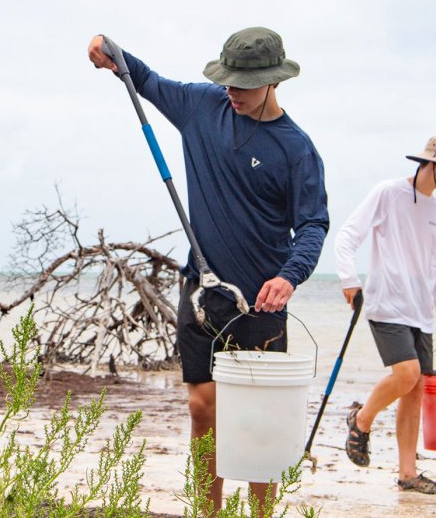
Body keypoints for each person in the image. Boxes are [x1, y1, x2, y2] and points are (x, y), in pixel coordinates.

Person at [88, 28, 329, 511]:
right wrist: (110, 50)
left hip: (262, 301)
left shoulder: (296, 149)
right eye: (228, 80)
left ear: (273, 81)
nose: (232, 91)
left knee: (260, 423)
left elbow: (313, 225)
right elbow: (147, 80)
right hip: (202, 290)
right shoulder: (202, 107)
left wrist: (289, 276)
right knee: (203, 408)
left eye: (243, 83)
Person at [334, 135, 436, 494]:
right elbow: (348, 235)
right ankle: (361, 419)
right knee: (407, 373)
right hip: (386, 303)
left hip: (420, 312)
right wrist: (349, 279)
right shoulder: (389, 192)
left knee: (415, 390)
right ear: (432, 163)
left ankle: (408, 473)